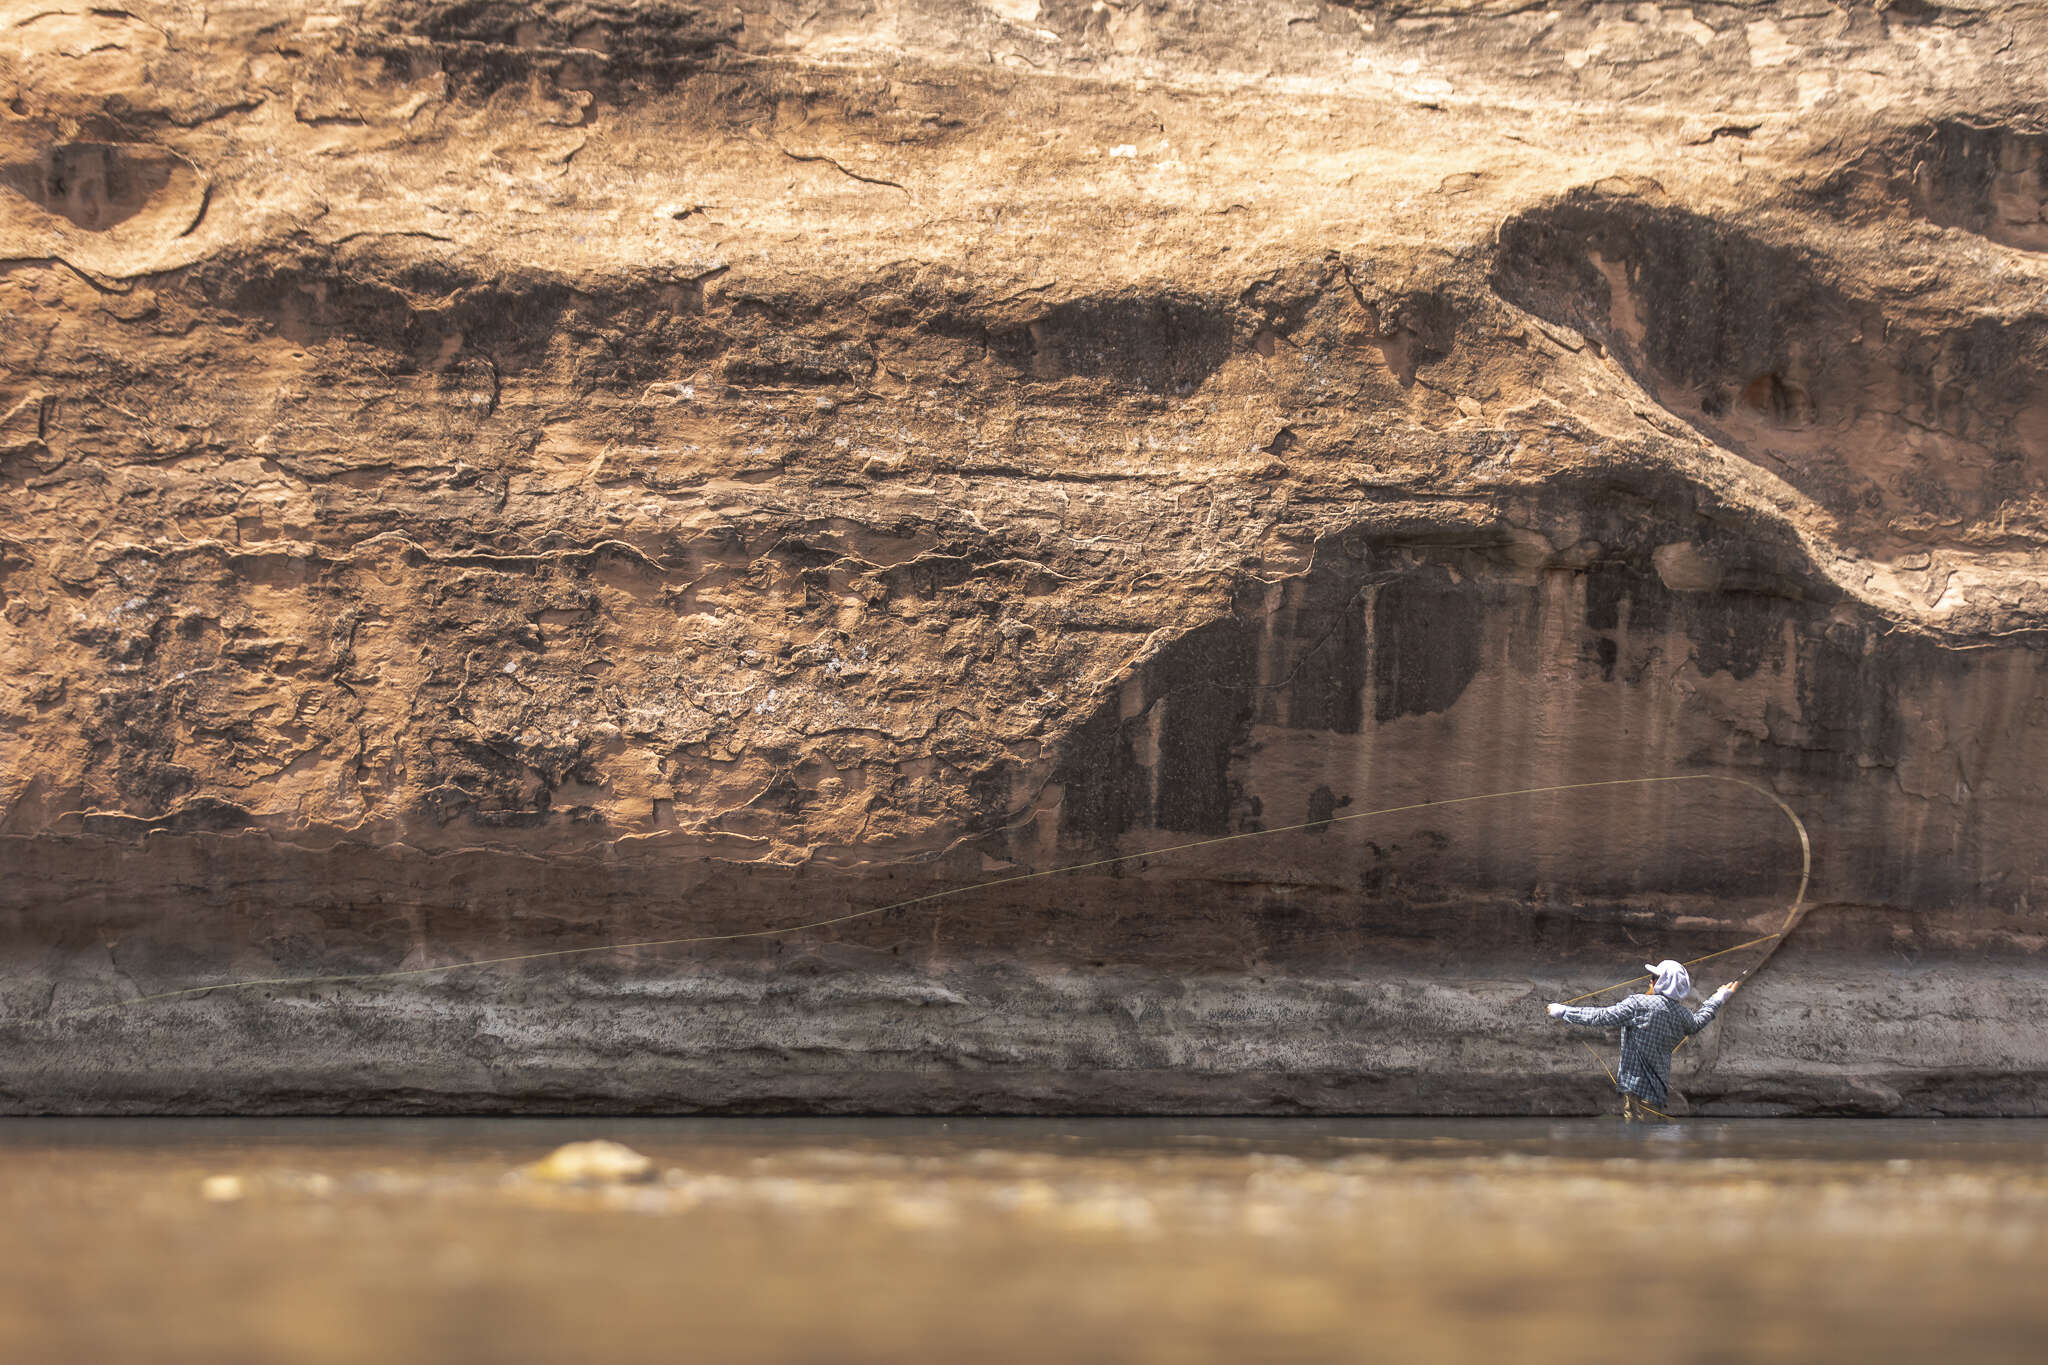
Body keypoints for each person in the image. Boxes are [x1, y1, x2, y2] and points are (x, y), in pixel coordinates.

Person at [1545, 960, 1737, 1120]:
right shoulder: (1683, 1015)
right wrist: (1719, 997)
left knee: (1640, 1148)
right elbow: (1698, 1022)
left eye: (1654, 978)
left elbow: (1601, 1016)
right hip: (1658, 1095)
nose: (1650, 982)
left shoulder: (1638, 1004)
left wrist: (1563, 1011)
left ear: (1661, 983)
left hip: (1637, 1093)